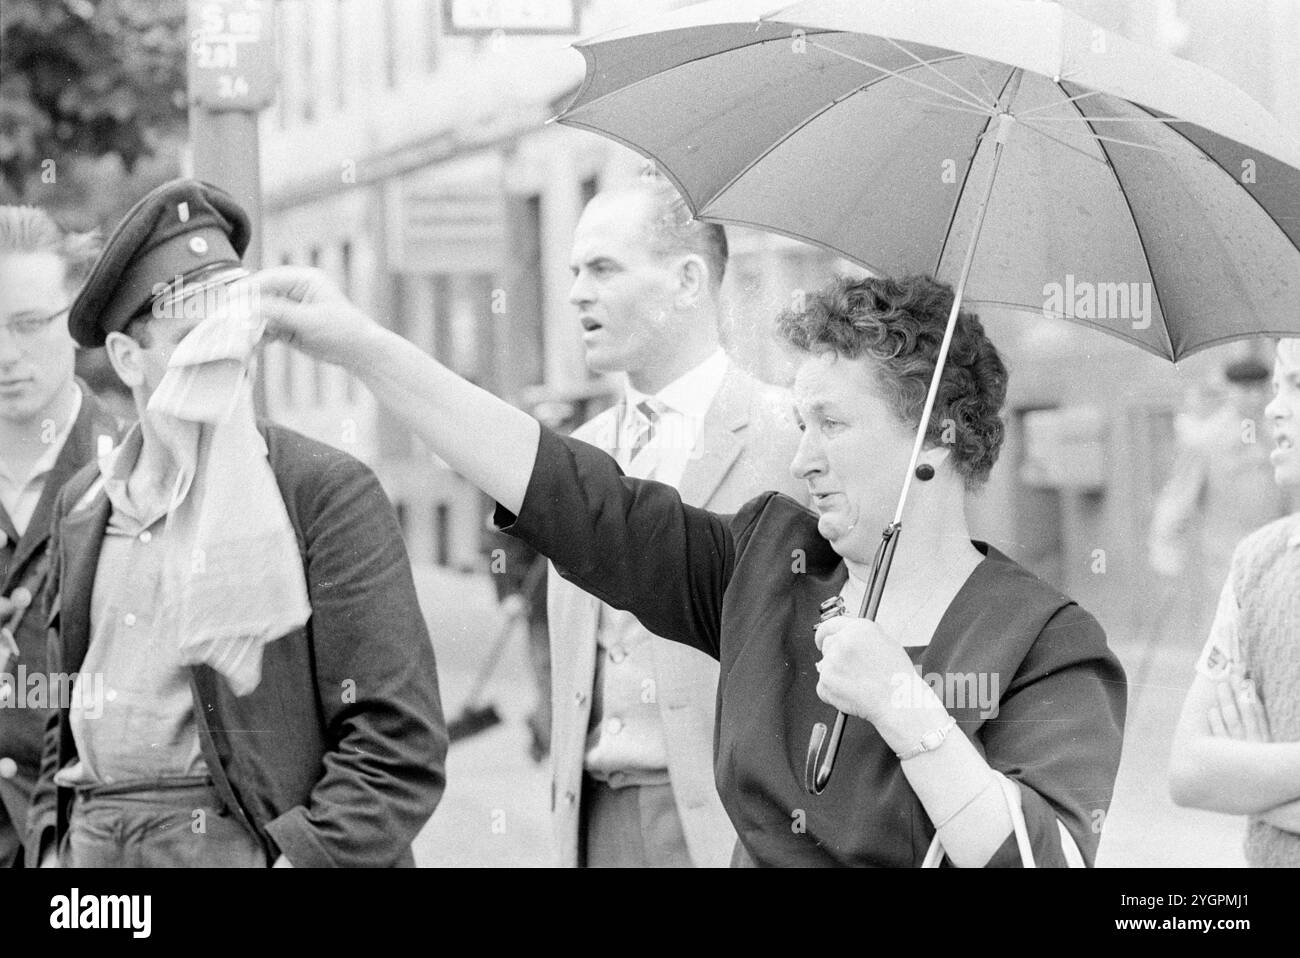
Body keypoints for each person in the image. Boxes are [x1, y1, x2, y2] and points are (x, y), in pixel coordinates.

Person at [255, 266, 1127, 867]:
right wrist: (361, 346)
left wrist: (905, 706)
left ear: (935, 438)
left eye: (832, 425)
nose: (802, 458)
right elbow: (566, 491)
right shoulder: (772, 565)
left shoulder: (1045, 643)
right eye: (800, 424)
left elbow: (1041, 856)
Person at [25, 179, 447, 868]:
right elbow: (61, 722)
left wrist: (298, 861)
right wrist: (53, 848)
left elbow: (397, 743)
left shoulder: (322, 493)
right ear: (129, 359)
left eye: (236, 333)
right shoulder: (83, 504)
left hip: (238, 842)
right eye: (196, 339)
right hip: (97, 851)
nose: (228, 357)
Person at [538, 179, 804, 867]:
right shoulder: (572, 458)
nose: (576, 293)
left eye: (603, 268)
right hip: (591, 829)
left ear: (687, 280)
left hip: (727, 837)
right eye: (573, 272)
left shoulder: (793, 441)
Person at [0, 206, 122, 868]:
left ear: (77, 318)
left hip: (91, 858)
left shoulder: (143, 472)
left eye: (26, 324)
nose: (4, 356)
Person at [1169, 338, 1300, 867]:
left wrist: (1260, 781)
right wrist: (1167, 549)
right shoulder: (1209, 439)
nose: (1266, 403)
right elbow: (1192, 772)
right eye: (1269, 386)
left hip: (1278, 562)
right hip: (1234, 574)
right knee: (1235, 704)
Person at [1148, 356, 1288, 641]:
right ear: (1230, 390)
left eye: (1261, 389)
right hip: (1225, 562)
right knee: (1229, 642)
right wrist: (1167, 558)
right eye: (1246, 389)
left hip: (1278, 560)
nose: (1255, 397)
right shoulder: (1206, 439)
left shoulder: (1280, 436)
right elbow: (1177, 500)